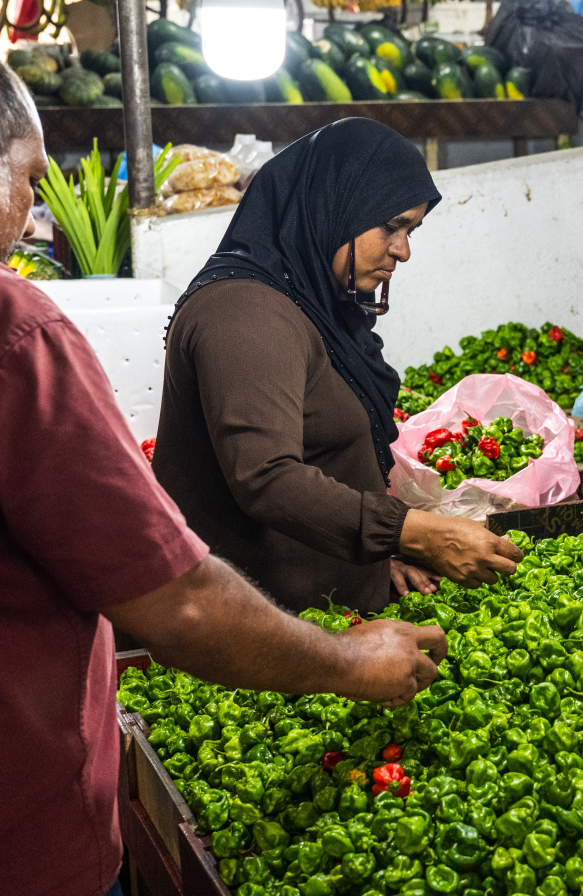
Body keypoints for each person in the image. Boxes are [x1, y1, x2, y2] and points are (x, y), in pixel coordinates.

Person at [0, 41, 446, 896]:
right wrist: (360, 650)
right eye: (28, 181)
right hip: (12, 882)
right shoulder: (4, 329)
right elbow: (185, 591)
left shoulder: (319, 311)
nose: (31, 218)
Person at [153, 118, 522, 615]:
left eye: (411, 230)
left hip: (323, 626)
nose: (403, 251)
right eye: (390, 226)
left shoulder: (309, 306)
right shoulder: (245, 314)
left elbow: (325, 462)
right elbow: (267, 477)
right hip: (258, 643)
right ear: (332, 206)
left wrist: (371, 560)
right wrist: (413, 534)